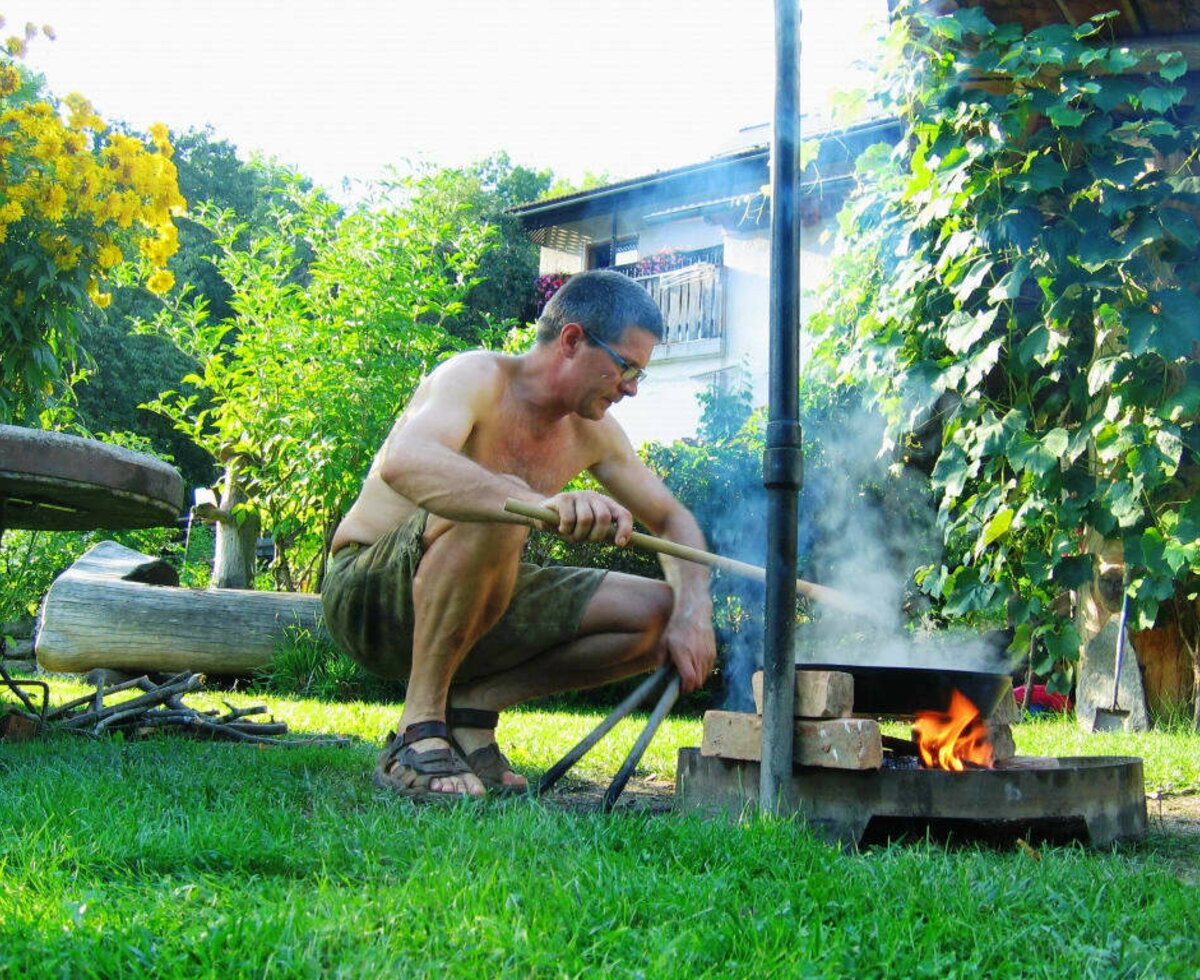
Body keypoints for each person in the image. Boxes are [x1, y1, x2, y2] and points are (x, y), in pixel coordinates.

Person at [322, 269, 717, 799]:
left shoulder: (593, 433)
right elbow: (404, 461)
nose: (631, 388)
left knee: (664, 612)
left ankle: (474, 708)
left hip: (478, 597)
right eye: (626, 366)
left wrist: (694, 611)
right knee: (505, 506)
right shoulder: (475, 377)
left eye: (639, 374)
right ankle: (417, 729)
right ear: (572, 341)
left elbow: (673, 520)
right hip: (369, 596)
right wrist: (536, 503)